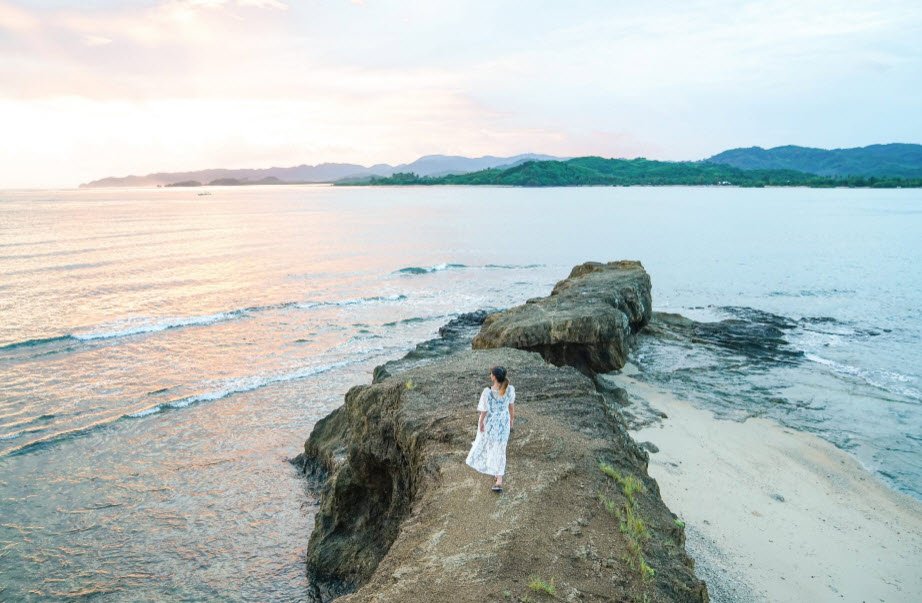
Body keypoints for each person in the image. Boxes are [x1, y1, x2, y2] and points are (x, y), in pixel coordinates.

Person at [465, 365, 516, 492]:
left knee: (491, 445)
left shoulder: (487, 392)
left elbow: (484, 411)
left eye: (491, 374)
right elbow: (511, 408)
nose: (490, 376)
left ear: (494, 377)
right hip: (503, 422)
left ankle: (499, 480)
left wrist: (481, 423)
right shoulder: (510, 389)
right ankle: (498, 475)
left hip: (491, 423)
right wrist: (511, 421)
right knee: (500, 447)